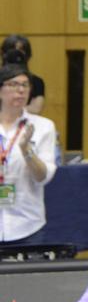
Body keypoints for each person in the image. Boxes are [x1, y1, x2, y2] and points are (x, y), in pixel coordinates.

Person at [0, 65, 56, 247]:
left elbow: (43, 177)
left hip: (27, 225)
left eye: (25, 85)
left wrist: (26, 150)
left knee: (27, 276)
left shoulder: (43, 127)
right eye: (14, 84)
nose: (21, 90)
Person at [1, 35, 45, 114]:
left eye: (21, 50)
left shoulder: (36, 81)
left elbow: (36, 109)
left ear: (28, 54)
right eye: (12, 49)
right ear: (3, 53)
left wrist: (9, 109)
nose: (16, 53)